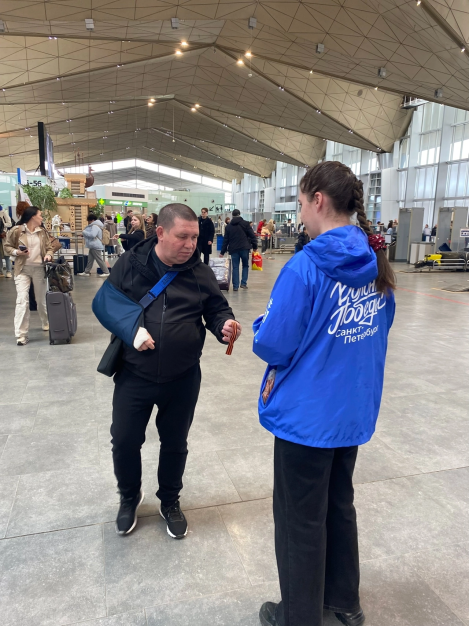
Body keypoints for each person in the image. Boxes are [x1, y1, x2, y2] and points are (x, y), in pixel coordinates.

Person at [254, 161, 396, 626]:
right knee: (338, 504)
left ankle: (299, 616)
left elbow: (275, 343)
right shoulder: (375, 264)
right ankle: (344, 602)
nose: (300, 214)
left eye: (300, 203)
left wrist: (260, 326)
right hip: (350, 410)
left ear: (318, 200)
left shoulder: (305, 267)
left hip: (307, 416)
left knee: (300, 519)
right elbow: (382, 326)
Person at [104, 203, 241, 537]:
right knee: (124, 441)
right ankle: (129, 497)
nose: (190, 244)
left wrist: (224, 325)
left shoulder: (200, 272)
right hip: (134, 374)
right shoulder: (131, 263)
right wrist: (132, 331)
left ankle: (170, 501)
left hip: (182, 377)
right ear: (161, 233)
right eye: (183, 236)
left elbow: (217, 309)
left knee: (175, 443)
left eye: (194, 237)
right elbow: (106, 304)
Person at [4, 206, 54, 345]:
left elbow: (49, 248)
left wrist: (49, 255)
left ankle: (45, 321)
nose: (42, 218)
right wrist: (17, 252)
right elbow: (7, 247)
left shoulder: (42, 232)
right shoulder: (16, 230)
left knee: (40, 300)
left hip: (39, 269)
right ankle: (21, 335)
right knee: (22, 300)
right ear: (33, 216)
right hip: (22, 269)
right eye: (40, 215)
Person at [220, 208, 258, 291]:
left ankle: (235, 286)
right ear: (239, 214)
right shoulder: (246, 224)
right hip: (244, 248)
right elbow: (252, 236)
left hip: (233, 249)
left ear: (232, 215)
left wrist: (222, 252)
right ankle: (243, 283)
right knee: (245, 265)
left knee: (235, 267)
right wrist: (255, 247)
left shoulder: (228, 226)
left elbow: (226, 240)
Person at [0, 205, 13, 278]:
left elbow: (9, 223)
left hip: (3, 236)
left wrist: (2, 224)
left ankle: (9, 271)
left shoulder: (3, 212)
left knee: (6, 255)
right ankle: (1, 271)